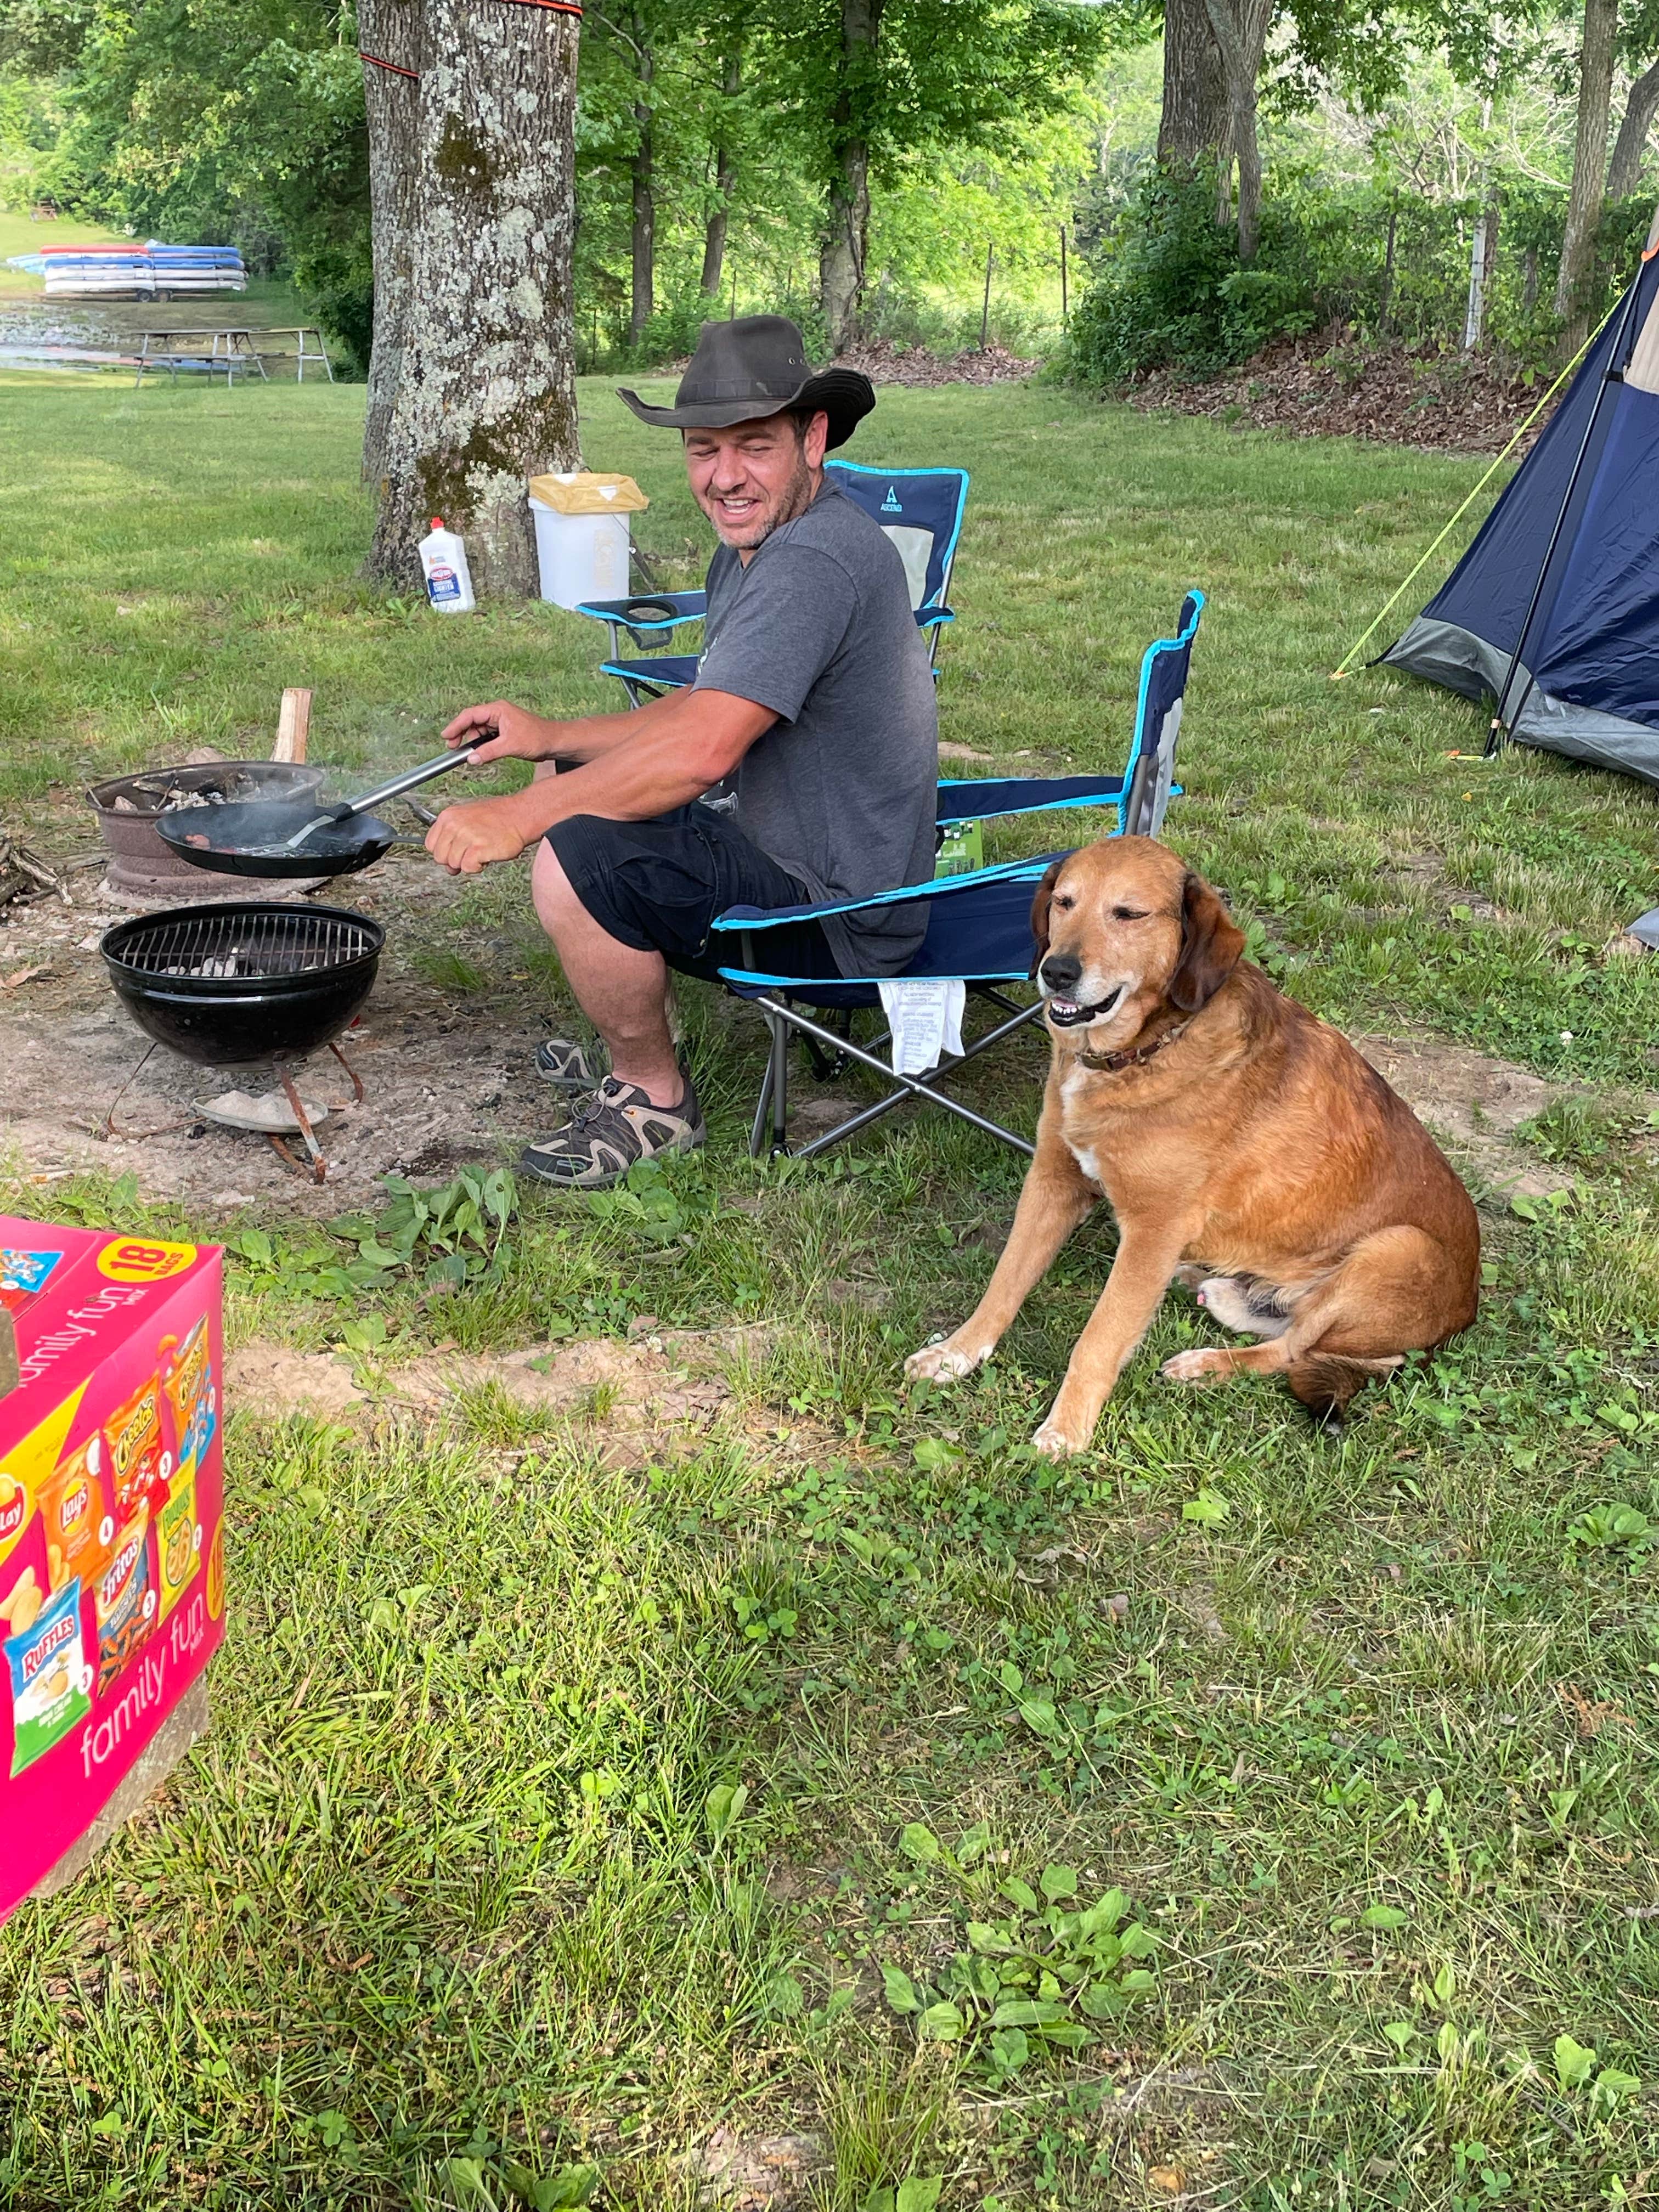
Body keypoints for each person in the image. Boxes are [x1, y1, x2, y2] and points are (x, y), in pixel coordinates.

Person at [425, 315, 940, 1188]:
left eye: (754, 448)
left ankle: (653, 1097)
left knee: (575, 850)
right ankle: (636, 1043)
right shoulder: (757, 545)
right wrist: (552, 740)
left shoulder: (812, 561)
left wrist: (520, 817)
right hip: (802, 850)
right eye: (705, 450)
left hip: (839, 916)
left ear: (813, 439)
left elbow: (701, 752)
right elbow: (707, 709)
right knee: (572, 782)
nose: (727, 477)